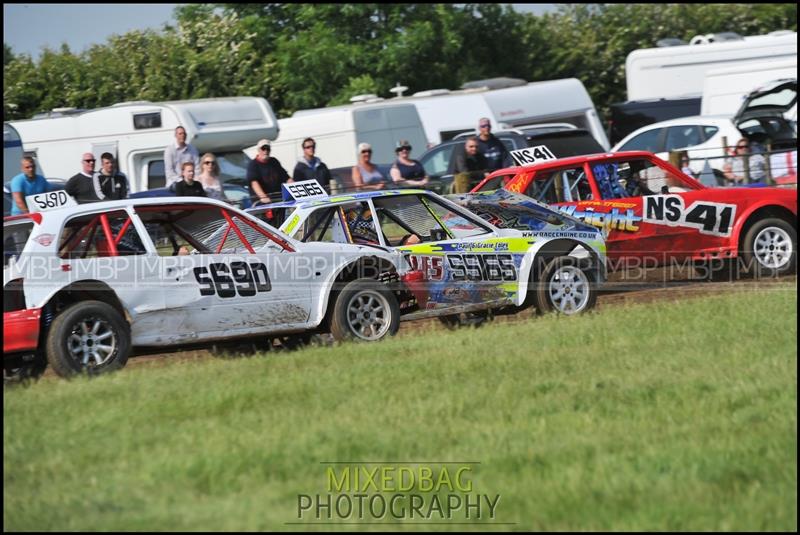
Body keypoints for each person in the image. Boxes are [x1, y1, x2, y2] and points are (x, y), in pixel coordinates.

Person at [247, 139, 290, 205]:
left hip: (278, 200)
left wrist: (297, 189)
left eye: (268, 149)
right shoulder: (253, 165)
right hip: (262, 204)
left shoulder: (274, 161)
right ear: (258, 150)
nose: (266, 151)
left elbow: (286, 177)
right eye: (263, 148)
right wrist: (263, 197)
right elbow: (254, 183)